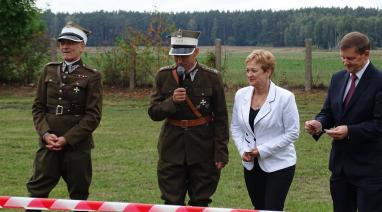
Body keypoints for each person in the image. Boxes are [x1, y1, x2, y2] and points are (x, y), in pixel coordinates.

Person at [26, 22, 102, 211]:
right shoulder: (48, 70)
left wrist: (67, 139)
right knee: (36, 192)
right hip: (48, 144)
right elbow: (38, 107)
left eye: (71, 43)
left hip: (77, 147)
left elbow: (93, 116)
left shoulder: (91, 76)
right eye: (62, 42)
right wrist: (45, 134)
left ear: (82, 46)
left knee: (79, 196)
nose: (65, 47)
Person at [148, 29, 229, 207]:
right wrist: (171, 102)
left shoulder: (212, 77)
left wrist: (221, 152)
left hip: (203, 148)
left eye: (184, 56)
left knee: (200, 201)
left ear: (196, 52)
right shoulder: (163, 76)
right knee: (171, 201)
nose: (179, 61)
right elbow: (153, 112)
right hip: (172, 148)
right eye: (176, 56)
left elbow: (221, 118)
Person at [305, 32, 382, 212]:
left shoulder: (379, 82)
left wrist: (349, 131)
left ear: (366, 54)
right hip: (340, 169)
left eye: (351, 58)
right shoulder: (338, 78)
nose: (345, 62)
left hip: (370, 170)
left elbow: (379, 125)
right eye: (342, 58)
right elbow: (328, 112)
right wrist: (319, 124)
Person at [230, 49, 299, 211]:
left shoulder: (285, 97)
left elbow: (293, 132)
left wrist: (262, 150)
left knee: (272, 208)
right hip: (251, 164)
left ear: (268, 71)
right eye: (247, 70)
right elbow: (235, 127)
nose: (249, 74)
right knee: (258, 207)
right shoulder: (241, 95)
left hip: (280, 163)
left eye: (254, 70)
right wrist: (243, 151)